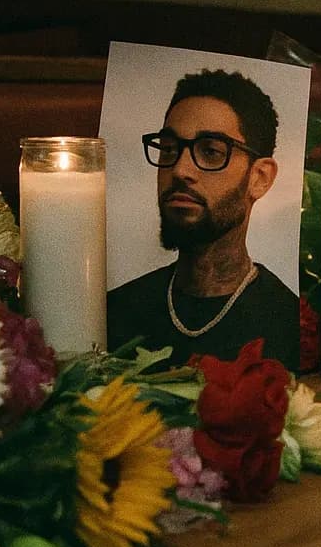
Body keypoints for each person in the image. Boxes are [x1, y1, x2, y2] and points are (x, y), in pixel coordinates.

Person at [107, 69, 300, 369]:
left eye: (210, 152)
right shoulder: (116, 311)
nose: (181, 170)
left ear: (259, 178)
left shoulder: (288, 324)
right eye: (169, 149)